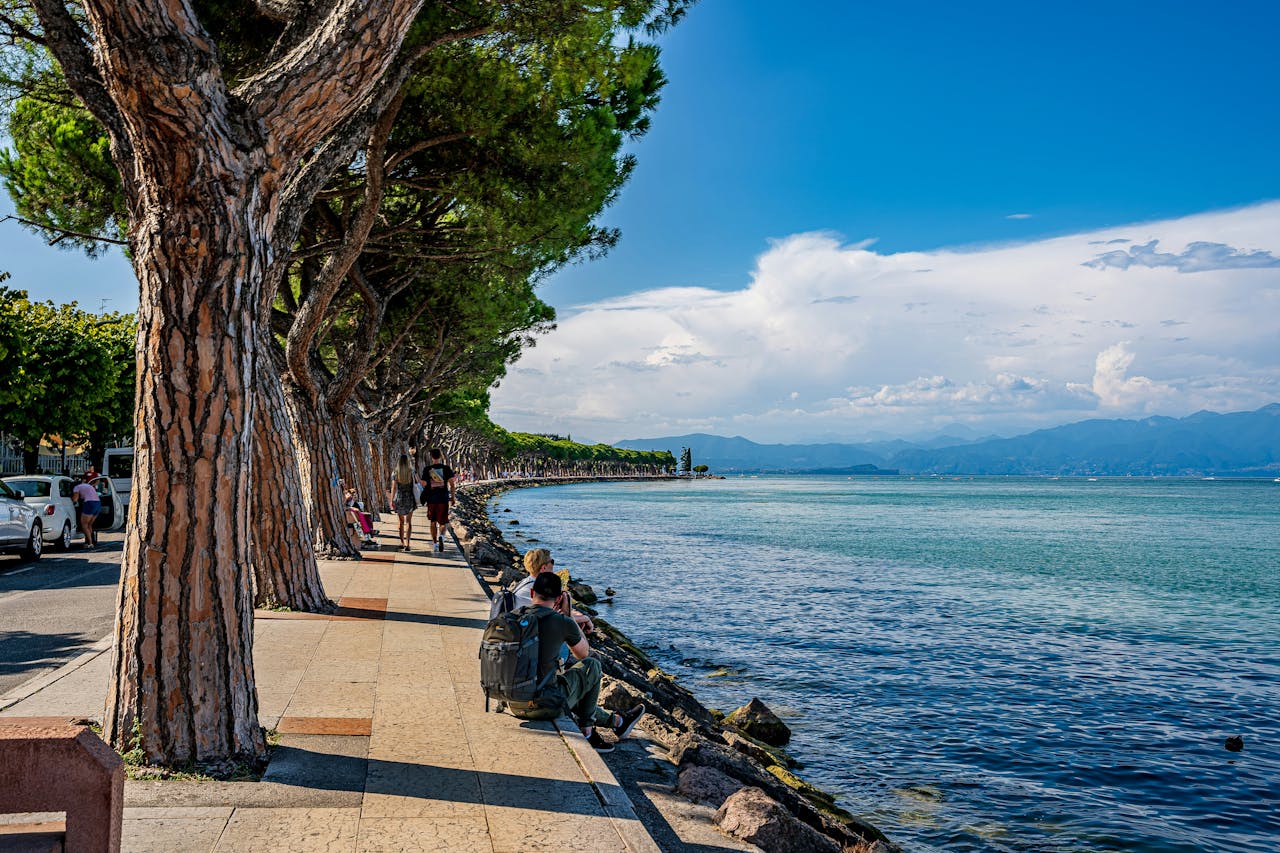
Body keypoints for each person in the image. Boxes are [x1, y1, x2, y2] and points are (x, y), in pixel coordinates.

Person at [518, 572, 645, 752]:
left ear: (532, 593)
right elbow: (584, 655)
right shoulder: (560, 621)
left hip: (513, 703)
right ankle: (588, 731)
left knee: (568, 689)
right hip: (541, 706)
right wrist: (569, 615)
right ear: (560, 597)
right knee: (592, 667)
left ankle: (619, 722)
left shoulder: (515, 617)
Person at [511, 548, 594, 635]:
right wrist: (585, 618)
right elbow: (554, 618)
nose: (553, 565)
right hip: (521, 630)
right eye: (552, 562)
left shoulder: (525, 582)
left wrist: (575, 614)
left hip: (517, 624)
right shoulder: (539, 587)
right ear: (543, 568)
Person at [421, 448, 456, 552]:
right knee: (443, 522)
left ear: (431, 457)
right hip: (443, 498)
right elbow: (452, 485)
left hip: (431, 499)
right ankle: (442, 536)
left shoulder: (427, 469)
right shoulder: (446, 468)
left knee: (433, 521)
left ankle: (435, 543)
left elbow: (423, 483)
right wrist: (452, 497)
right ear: (440, 456)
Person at [387, 454, 417, 552]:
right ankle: (408, 544)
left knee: (401, 522)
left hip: (399, 498)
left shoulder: (395, 473)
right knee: (409, 522)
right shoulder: (412, 471)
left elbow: (394, 488)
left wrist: (391, 501)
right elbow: (416, 483)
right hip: (410, 498)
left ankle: (402, 542)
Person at [72, 473, 101, 550]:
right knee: (89, 525)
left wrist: (72, 501)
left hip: (89, 503)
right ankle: (91, 541)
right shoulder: (89, 486)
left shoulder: (76, 487)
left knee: (84, 524)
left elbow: (75, 499)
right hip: (98, 503)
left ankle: (90, 543)